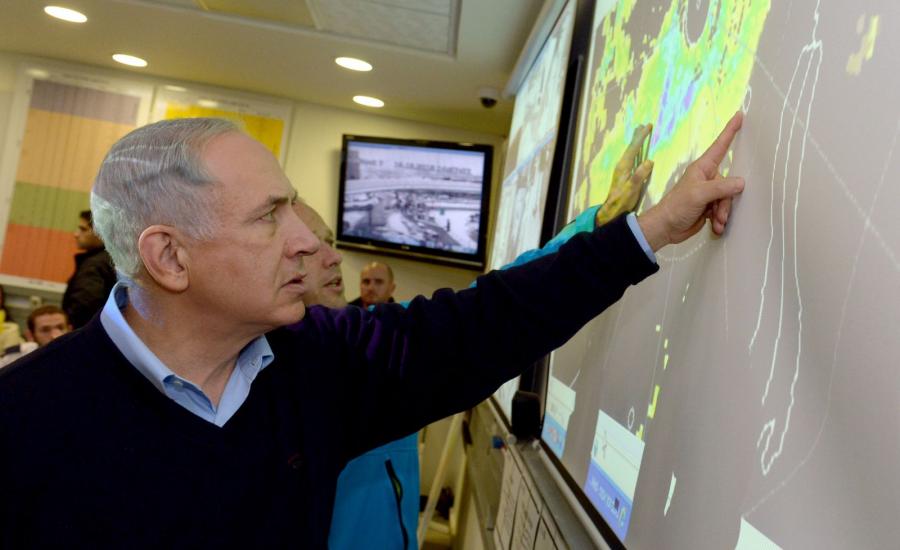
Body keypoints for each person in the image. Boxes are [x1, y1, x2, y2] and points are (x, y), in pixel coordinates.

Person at [0, 114, 745, 547]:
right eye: (269, 216)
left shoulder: (316, 362)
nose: (305, 240)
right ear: (168, 255)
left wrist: (647, 231)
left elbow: (483, 325)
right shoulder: (26, 422)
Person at [302, 123, 657, 550]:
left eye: (328, 241)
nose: (334, 257)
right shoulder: (287, 381)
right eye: (308, 248)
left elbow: (493, 305)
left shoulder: (359, 348)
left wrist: (597, 225)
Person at [62, 209, 117, 328]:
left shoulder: (95, 265)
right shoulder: (113, 260)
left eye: (83, 229)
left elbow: (83, 308)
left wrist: (68, 329)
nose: (76, 234)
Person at [1, 305, 71, 367]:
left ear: (70, 330)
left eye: (60, 328)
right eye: (45, 330)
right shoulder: (17, 357)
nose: (54, 336)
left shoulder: (79, 355)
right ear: (31, 335)